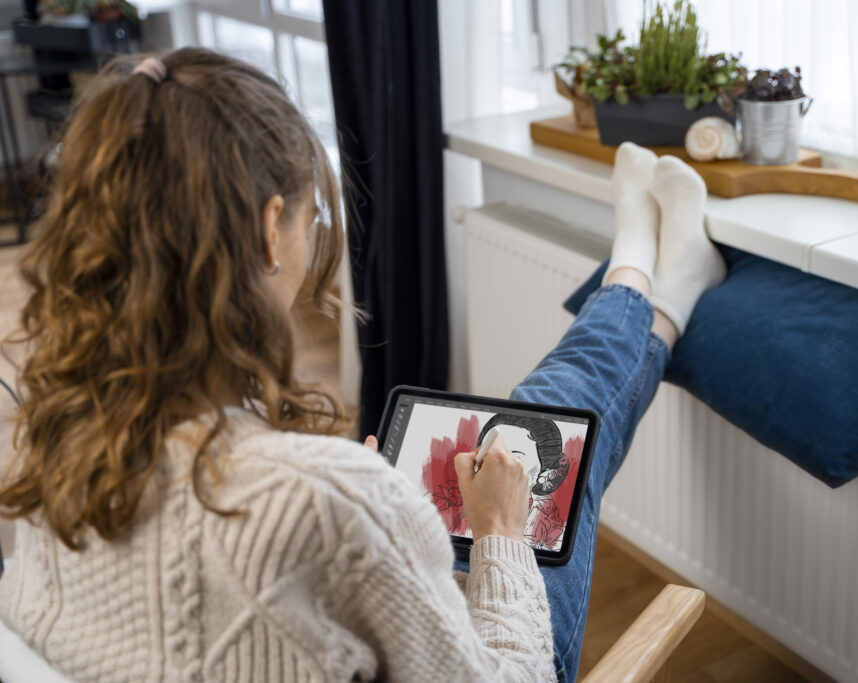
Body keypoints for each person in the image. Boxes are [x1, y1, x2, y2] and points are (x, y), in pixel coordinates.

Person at [0, 48, 724, 682]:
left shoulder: (48, 433)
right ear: (266, 231)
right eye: (312, 217)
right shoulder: (327, 500)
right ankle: (645, 280)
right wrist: (496, 528)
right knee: (542, 437)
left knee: (521, 433)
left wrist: (367, 517)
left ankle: (650, 285)